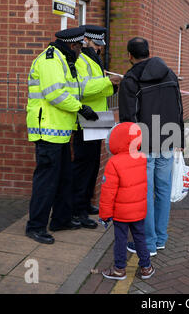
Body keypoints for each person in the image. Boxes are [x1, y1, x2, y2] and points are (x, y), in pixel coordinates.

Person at [25, 27, 99, 244]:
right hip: (47, 130)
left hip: (61, 131)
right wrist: (81, 108)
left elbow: (74, 88)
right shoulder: (50, 60)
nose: (81, 51)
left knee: (65, 178)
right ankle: (36, 226)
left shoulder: (65, 60)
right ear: (73, 45)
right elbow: (55, 93)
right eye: (79, 47)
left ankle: (61, 219)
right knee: (46, 181)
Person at [118, 37, 184, 256]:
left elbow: (128, 118)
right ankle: (160, 238)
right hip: (168, 139)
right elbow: (179, 107)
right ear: (148, 52)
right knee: (163, 190)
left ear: (130, 55)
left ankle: (147, 242)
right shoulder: (170, 74)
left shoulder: (131, 79)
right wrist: (180, 139)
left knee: (145, 193)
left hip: (144, 143)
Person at [72, 25, 122, 228]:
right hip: (85, 119)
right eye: (96, 44)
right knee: (83, 166)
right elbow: (82, 89)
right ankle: (78, 210)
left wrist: (111, 86)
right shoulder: (82, 60)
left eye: (100, 45)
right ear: (87, 42)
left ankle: (86, 203)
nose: (99, 48)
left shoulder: (94, 60)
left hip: (97, 119)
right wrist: (108, 82)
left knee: (92, 165)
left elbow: (100, 90)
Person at [99, 122, 155, 280]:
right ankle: (146, 267)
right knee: (140, 237)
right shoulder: (141, 157)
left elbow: (107, 193)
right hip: (139, 210)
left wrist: (105, 215)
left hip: (121, 213)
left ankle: (119, 270)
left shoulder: (114, 163)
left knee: (121, 239)